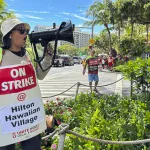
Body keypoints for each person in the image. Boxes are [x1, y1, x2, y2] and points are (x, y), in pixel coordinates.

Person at [0, 18, 53, 150]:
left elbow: (39, 75)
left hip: (29, 118)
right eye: (22, 31)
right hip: (5, 120)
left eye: (27, 31)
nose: (26, 34)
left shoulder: (28, 55)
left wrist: (48, 57)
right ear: (10, 34)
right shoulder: (1, 57)